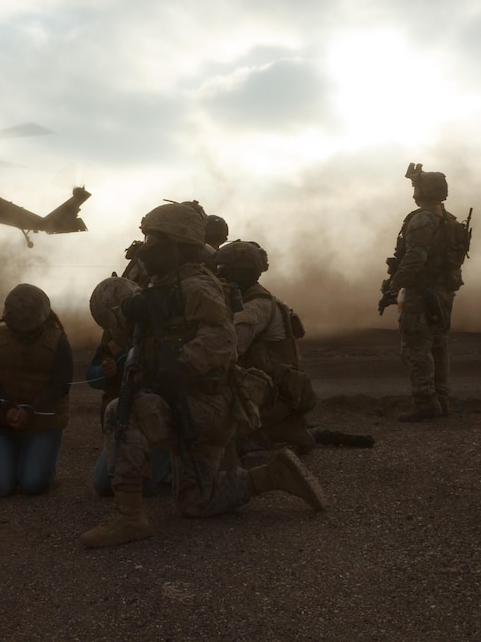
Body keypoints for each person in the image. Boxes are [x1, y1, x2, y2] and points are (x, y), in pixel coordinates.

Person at [80, 202, 327, 549]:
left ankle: (130, 518)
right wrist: (132, 312)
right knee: (198, 503)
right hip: (199, 404)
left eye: (154, 239)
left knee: (121, 413)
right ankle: (272, 475)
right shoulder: (165, 285)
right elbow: (123, 331)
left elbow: (223, 342)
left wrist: (174, 365)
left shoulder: (196, 286)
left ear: (178, 245)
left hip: (203, 403)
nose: (146, 247)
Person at [214, 240, 316, 453]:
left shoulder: (256, 306)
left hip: (271, 390)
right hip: (276, 387)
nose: (219, 275)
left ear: (240, 271)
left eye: (224, 269)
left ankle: (261, 435)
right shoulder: (256, 298)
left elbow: (229, 348)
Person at [385, 164, 467, 422]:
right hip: (443, 291)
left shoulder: (422, 220)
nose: (414, 192)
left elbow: (414, 259)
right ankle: (441, 400)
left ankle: (424, 402)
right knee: (438, 346)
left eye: (417, 187)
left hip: (422, 292)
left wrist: (393, 286)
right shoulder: (449, 220)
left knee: (416, 347)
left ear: (425, 191)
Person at [0, 284, 72, 497]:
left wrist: (30, 410)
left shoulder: (58, 340)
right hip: (4, 421)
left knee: (32, 485)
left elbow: (60, 384)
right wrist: (7, 407)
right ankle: (26, 457)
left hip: (43, 423)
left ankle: (38, 461)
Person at [85, 275, 172, 497]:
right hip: (125, 420)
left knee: (141, 486)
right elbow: (91, 375)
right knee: (105, 484)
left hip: (157, 421)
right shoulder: (111, 337)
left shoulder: (160, 331)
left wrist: (125, 360)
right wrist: (105, 372)